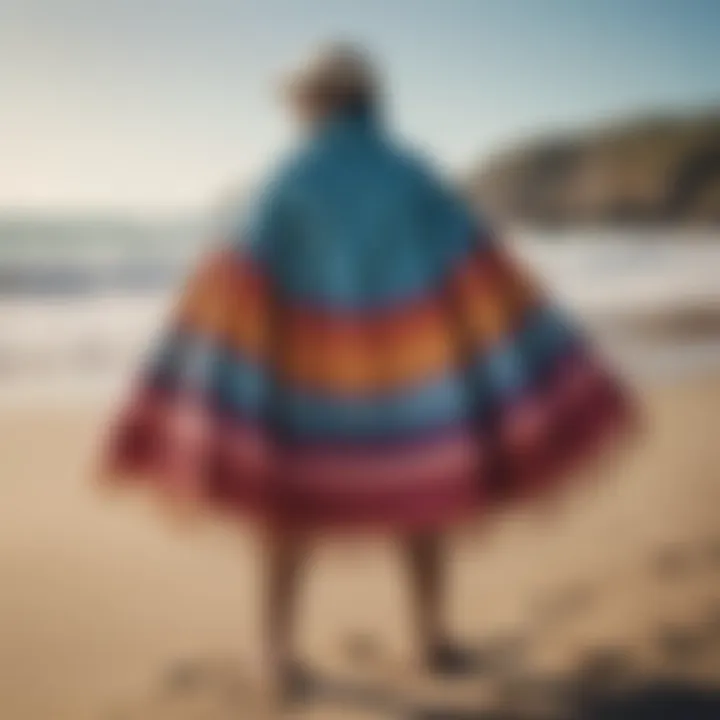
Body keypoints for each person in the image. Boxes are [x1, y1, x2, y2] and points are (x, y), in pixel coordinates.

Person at [104, 42, 633, 706]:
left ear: (317, 103)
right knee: (423, 505)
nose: (292, 111)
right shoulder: (411, 173)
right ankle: (433, 637)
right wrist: (517, 356)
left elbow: (239, 276)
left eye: (297, 99)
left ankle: (277, 652)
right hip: (415, 381)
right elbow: (474, 266)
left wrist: (191, 367)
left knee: (285, 518)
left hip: (306, 385)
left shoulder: (288, 178)